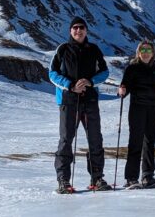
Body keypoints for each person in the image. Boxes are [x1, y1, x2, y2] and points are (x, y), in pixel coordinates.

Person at [49, 16, 111, 194]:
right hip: (68, 101)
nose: (78, 30)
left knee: (95, 139)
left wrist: (90, 82)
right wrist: (70, 85)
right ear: (70, 31)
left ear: (86, 30)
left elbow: (105, 71)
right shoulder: (63, 49)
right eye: (75, 28)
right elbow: (52, 73)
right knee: (66, 140)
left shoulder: (94, 49)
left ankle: (97, 178)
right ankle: (63, 180)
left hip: (90, 100)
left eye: (81, 27)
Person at [118, 40, 155, 189]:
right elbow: (124, 87)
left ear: (153, 53)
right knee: (135, 142)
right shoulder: (132, 69)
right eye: (143, 50)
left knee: (149, 143)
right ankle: (131, 177)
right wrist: (122, 91)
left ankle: (148, 175)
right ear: (138, 52)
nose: (146, 53)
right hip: (138, 108)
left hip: (154, 109)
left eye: (148, 50)